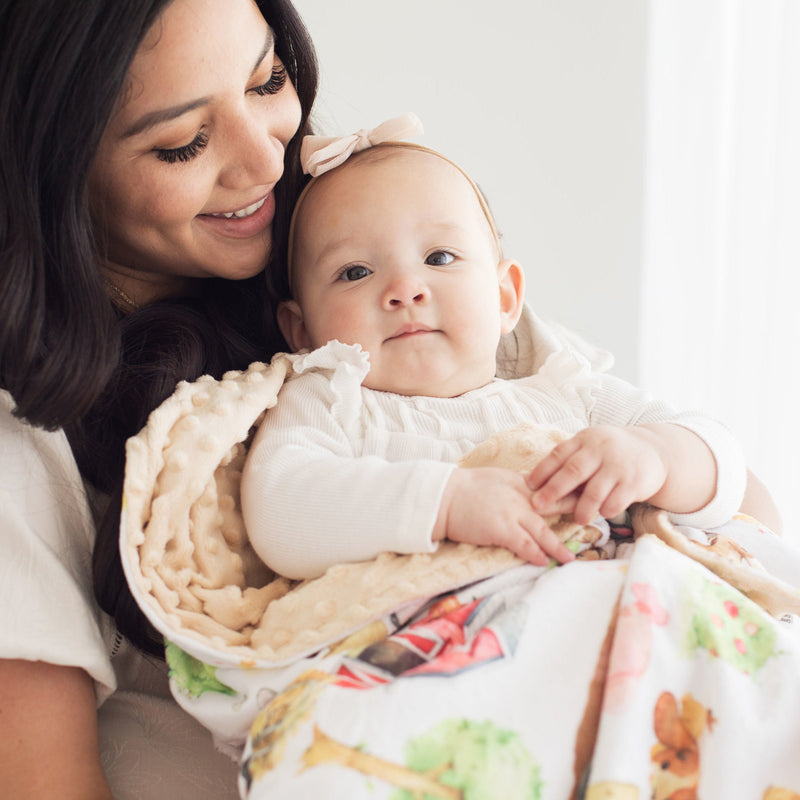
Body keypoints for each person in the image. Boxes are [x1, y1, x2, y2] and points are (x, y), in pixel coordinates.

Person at [0, 1, 317, 797]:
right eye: (184, 144)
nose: (264, 160)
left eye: (267, 79)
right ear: (49, 163)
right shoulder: (22, 439)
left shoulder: (354, 261)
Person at [240, 126, 749, 581]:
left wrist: (655, 455)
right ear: (302, 332)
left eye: (439, 257)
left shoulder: (569, 395)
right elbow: (280, 509)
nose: (405, 289)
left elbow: (723, 461)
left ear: (505, 299)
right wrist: (443, 502)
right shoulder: (330, 403)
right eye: (355, 272)